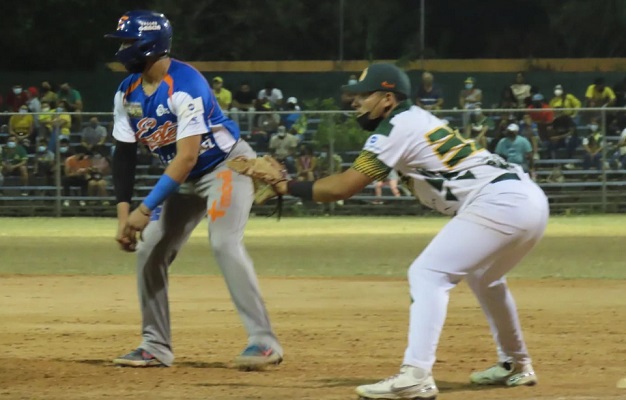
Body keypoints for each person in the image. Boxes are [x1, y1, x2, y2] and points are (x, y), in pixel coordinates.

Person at [237, 63, 548, 399]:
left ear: (387, 98)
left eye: (363, 95)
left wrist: (287, 186)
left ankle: (415, 374)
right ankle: (516, 364)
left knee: (428, 274)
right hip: (527, 200)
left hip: (501, 202)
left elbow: (343, 187)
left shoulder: (396, 126)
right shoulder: (416, 120)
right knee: (485, 278)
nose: (355, 102)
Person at [104, 10, 282, 370]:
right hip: (181, 181)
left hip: (226, 169)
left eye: (127, 42)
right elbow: (123, 156)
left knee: (223, 241)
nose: (122, 49)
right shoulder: (127, 93)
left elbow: (186, 158)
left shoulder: (185, 85)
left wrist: (145, 208)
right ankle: (155, 345)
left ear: (150, 44)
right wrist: (124, 215)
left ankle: (264, 342)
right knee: (149, 250)